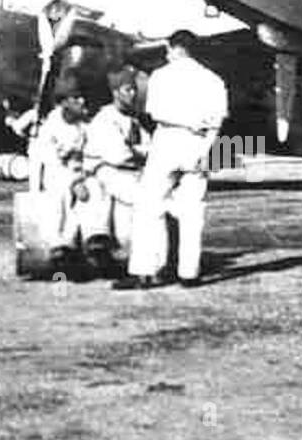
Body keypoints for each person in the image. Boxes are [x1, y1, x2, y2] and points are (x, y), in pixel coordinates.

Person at [115, 32, 227, 289]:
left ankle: (145, 270)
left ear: (173, 48)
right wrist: (207, 147)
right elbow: (218, 121)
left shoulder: (161, 75)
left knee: (148, 205)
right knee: (193, 209)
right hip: (200, 141)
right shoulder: (213, 79)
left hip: (168, 138)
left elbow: (153, 112)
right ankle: (189, 273)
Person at [79, 65, 149, 270]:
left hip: (125, 173)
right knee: (144, 199)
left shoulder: (133, 119)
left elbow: (152, 148)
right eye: (128, 89)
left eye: (134, 89)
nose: (133, 94)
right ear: (115, 92)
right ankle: (97, 239)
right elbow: (120, 155)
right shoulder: (105, 119)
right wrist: (138, 152)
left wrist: (136, 151)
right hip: (106, 172)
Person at [35, 74, 91, 264]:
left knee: (90, 194)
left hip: (81, 171)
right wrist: (74, 182)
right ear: (63, 102)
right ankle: (58, 245)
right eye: (75, 98)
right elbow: (51, 162)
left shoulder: (84, 126)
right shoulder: (49, 128)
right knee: (59, 196)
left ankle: (76, 242)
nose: (81, 101)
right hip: (57, 174)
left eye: (82, 97)